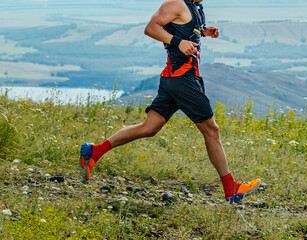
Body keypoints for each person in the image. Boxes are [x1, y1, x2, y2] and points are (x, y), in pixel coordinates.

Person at [79, 0, 260, 204]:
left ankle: (94, 151)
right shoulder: (175, 3)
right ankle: (231, 190)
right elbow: (151, 28)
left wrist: (203, 32)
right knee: (212, 131)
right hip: (182, 80)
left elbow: (183, 30)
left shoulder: (195, 7)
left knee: (149, 127)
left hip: (175, 79)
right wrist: (178, 42)